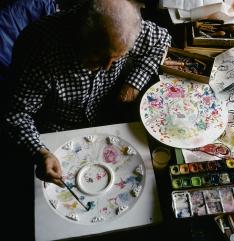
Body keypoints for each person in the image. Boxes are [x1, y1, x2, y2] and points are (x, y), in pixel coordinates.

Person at [2, 0, 171, 187]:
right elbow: (16, 113)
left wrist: (134, 83)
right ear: (80, 34)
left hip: (111, 119)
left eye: (116, 58)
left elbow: (162, 41)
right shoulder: (39, 47)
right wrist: (40, 152)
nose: (107, 66)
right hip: (59, 131)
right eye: (99, 55)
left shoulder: (126, 27)